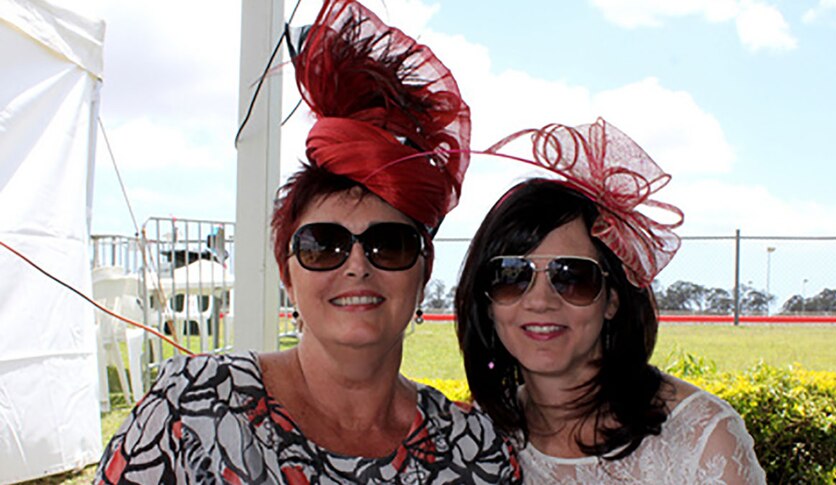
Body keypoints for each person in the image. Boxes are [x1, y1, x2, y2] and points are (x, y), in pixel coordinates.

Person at [94, 0, 520, 482]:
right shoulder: (192, 405)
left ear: (423, 275)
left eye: (390, 245)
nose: (357, 264)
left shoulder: (474, 450)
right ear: (287, 274)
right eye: (324, 245)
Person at [456, 119, 766, 484]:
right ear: (487, 303)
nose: (539, 300)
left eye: (571, 277)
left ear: (613, 300)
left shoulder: (702, 440)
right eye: (512, 275)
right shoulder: (473, 437)